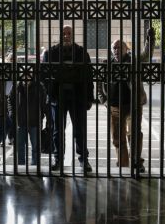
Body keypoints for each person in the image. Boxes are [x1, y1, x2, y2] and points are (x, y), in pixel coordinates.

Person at [97, 28, 155, 172]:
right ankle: (123, 166)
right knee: (118, 138)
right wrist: (104, 101)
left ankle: (136, 162)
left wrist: (150, 40)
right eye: (114, 48)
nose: (116, 50)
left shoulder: (133, 61)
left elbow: (146, 54)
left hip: (133, 105)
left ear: (125, 49)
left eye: (119, 48)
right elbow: (99, 85)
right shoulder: (107, 64)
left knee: (134, 134)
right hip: (114, 106)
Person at [42, 25, 94, 172]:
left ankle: (84, 160)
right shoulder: (50, 53)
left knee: (80, 130)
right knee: (57, 131)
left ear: (73, 34)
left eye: (69, 33)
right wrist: (49, 93)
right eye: (64, 33)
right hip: (57, 97)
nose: (66, 36)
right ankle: (58, 159)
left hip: (77, 97)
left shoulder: (81, 52)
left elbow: (89, 76)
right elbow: (44, 75)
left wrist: (89, 98)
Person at [7, 78, 50, 165]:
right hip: (20, 122)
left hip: (35, 121)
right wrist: (12, 113)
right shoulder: (17, 86)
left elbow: (44, 103)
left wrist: (48, 118)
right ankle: (21, 166)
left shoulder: (39, 86)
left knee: (36, 147)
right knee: (20, 147)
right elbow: (10, 100)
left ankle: (35, 166)